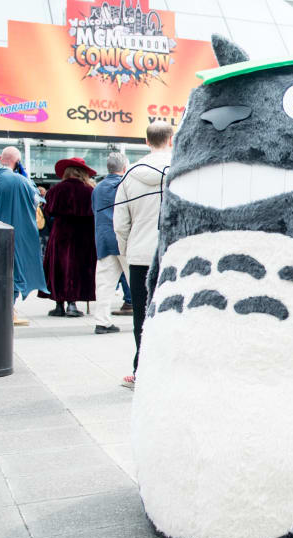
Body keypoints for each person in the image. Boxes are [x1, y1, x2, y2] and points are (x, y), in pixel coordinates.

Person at [114, 121, 174, 389]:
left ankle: (143, 371)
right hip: (176, 254)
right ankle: (173, 370)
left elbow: (120, 224)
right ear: (171, 140)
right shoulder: (184, 169)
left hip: (140, 255)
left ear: (147, 142)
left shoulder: (129, 176)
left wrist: (127, 251)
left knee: (142, 314)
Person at [0, 146, 48, 325]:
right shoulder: (20, 181)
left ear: (1, 158)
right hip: (10, 237)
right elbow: (37, 200)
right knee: (12, 271)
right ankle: (7, 311)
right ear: (17, 161)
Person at [42, 158, 97, 318]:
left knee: (58, 268)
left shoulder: (56, 190)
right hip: (83, 237)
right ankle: (72, 304)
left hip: (60, 235)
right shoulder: (89, 191)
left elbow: (48, 211)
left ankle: (59, 304)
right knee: (77, 268)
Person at [91, 152, 128, 334]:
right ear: (124, 168)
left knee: (104, 284)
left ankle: (102, 322)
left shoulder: (97, 188)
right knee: (135, 281)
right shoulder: (124, 185)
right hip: (124, 240)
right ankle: (146, 319)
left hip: (104, 239)